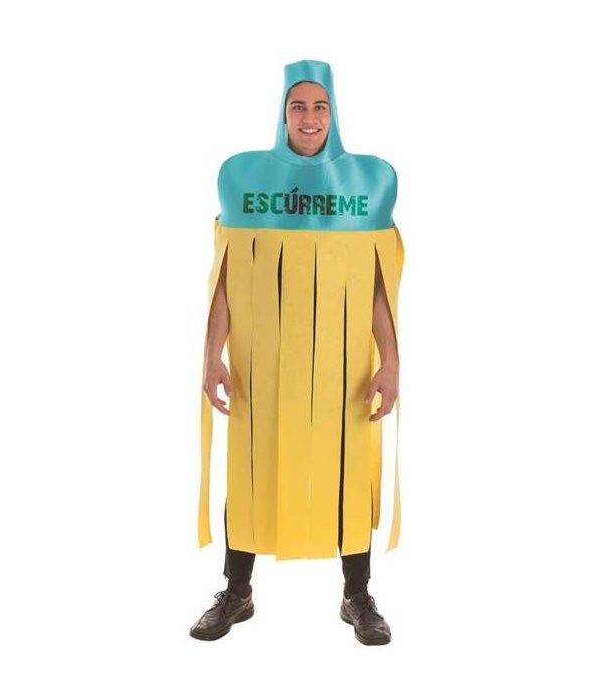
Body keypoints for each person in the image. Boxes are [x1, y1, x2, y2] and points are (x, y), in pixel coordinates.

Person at [190, 59, 405, 645]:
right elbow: (227, 278)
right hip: (262, 363)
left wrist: (390, 361)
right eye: (298, 106)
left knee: (349, 464)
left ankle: (357, 595)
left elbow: (378, 288)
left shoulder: (369, 184)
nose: (309, 118)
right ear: (283, 114)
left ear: (333, 114)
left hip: (344, 366)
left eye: (319, 107)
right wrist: (212, 356)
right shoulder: (243, 179)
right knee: (251, 462)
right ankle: (237, 591)